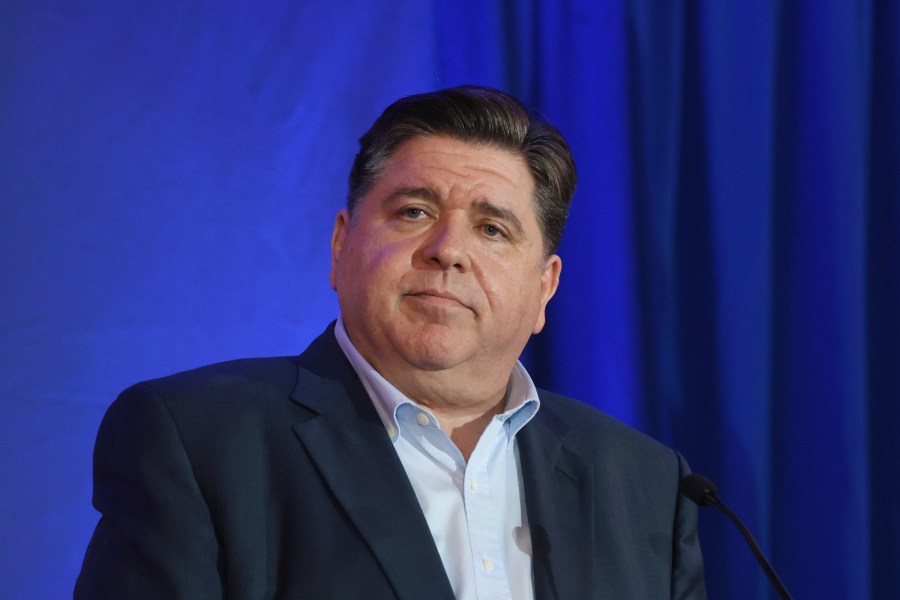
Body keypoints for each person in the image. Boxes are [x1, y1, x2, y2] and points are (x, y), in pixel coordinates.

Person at [75, 86, 706, 599]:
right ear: (341, 244)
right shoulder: (198, 440)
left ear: (545, 288)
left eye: (492, 229)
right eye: (414, 212)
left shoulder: (646, 484)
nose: (448, 250)